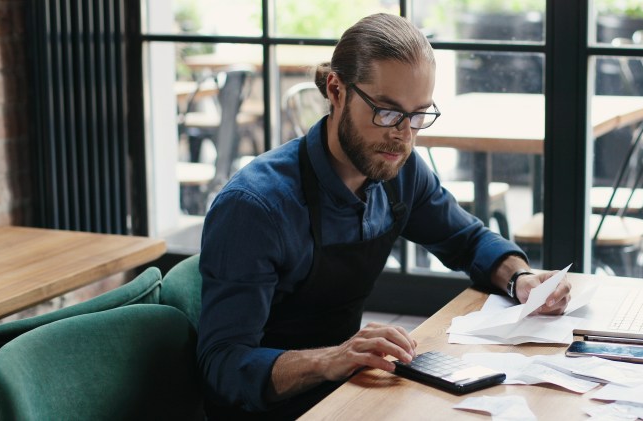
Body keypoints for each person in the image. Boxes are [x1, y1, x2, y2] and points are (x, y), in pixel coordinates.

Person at [197, 13, 571, 420]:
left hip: (344, 391)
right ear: (336, 89)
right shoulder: (256, 207)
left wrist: (519, 279)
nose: (403, 135)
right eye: (388, 112)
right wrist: (329, 360)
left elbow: (468, 240)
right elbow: (222, 366)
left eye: (417, 116)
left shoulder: (399, 171)